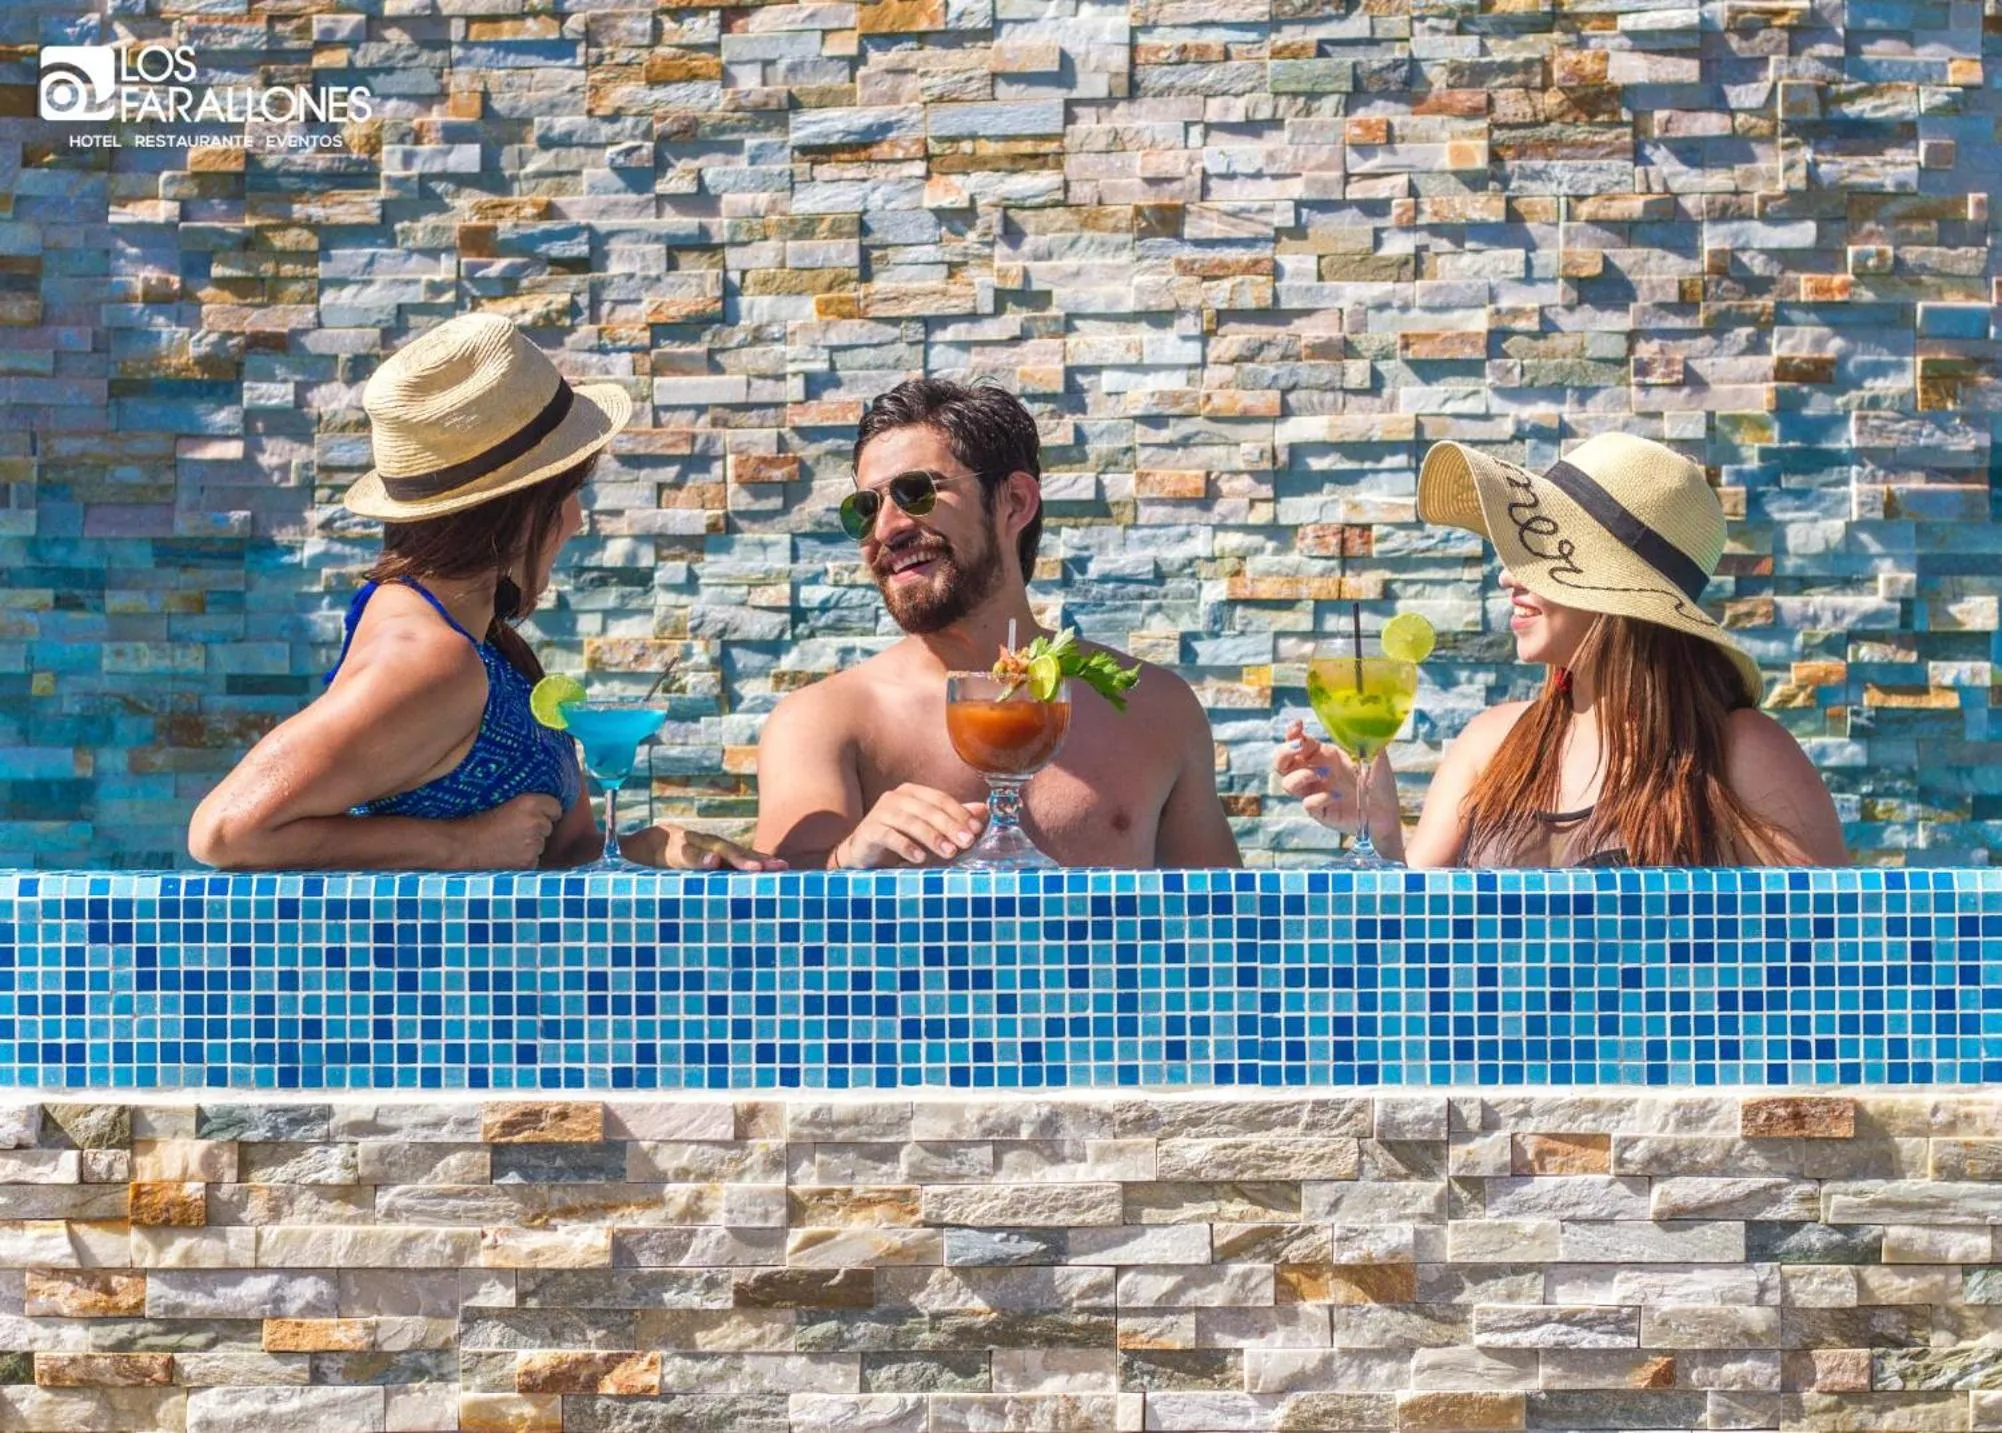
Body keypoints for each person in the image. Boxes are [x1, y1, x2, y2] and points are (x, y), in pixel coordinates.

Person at [188, 312, 781, 873]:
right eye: (567, 494)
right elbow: (224, 831)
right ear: (519, 512)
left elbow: (545, 850)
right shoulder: (427, 658)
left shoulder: (476, 641)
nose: (576, 521)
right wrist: (457, 846)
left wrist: (652, 845)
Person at [1275, 433, 1848, 867]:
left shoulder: (1740, 751)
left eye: (1542, 558)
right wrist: (1377, 826)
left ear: (1618, 595)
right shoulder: (1491, 742)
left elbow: (1833, 955)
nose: (1508, 577)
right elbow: (1421, 947)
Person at [752, 378, 1240, 869]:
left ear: (1015, 502)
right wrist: (844, 861)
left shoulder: (1155, 711)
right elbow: (765, 924)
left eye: (916, 491)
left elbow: (1227, 928)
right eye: (866, 507)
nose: (886, 529)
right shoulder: (822, 723)